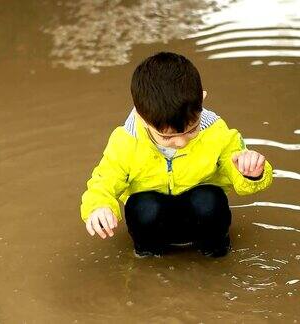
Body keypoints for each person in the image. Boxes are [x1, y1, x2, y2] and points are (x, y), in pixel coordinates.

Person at [80, 52, 273, 258]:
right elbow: (102, 182)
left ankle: (216, 252)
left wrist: (251, 173)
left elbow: (238, 171)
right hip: (153, 223)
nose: (181, 142)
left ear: (202, 100)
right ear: (141, 116)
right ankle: (148, 256)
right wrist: (98, 207)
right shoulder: (126, 141)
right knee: (142, 206)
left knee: (209, 199)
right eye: (167, 137)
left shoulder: (216, 132)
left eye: (191, 130)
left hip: (201, 218)